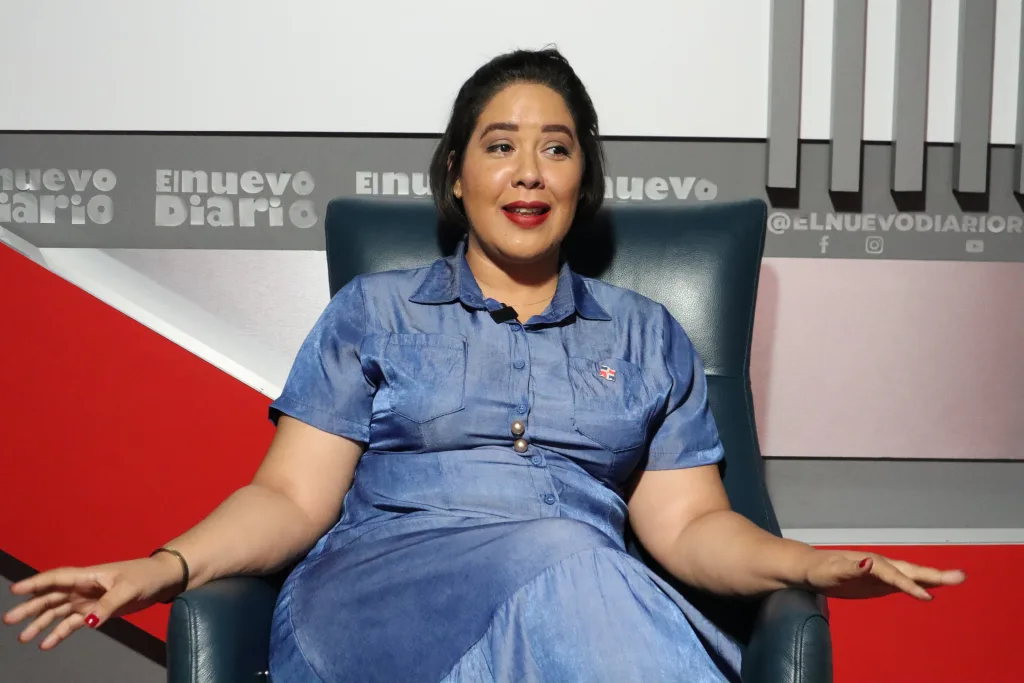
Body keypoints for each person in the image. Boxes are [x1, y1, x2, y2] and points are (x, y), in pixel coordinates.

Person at [5, 48, 965, 683]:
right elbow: (290, 498)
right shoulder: (375, 311)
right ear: (456, 175)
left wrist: (806, 562)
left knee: (572, 565)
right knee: (570, 559)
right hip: (381, 600)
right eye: (500, 146)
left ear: (583, 180)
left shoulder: (646, 335)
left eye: (557, 149)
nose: (529, 171)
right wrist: (165, 565)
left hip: (578, 607)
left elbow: (689, 526)